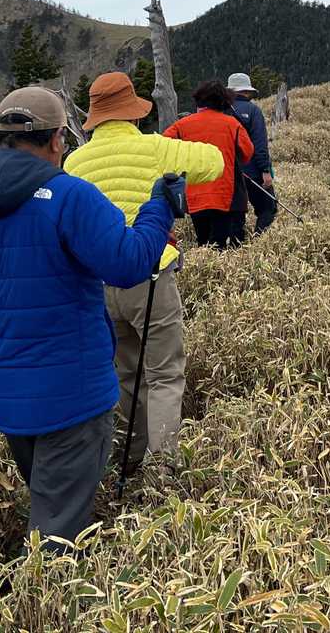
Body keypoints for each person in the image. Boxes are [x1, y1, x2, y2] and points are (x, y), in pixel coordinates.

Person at [0, 86, 185, 552]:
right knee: (55, 538)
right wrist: (159, 209)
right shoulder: (70, 197)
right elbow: (129, 264)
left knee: (51, 502)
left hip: (10, 400)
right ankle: (41, 591)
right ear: (55, 140)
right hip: (76, 397)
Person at [63, 71, 224, 475]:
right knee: (165, 373)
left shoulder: (74, 162)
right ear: (133, 113)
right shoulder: (155, 148)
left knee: (125, 372)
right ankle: (162, 468)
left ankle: (128, 457)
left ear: (95, 118)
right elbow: (215, 162)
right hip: (151, 275)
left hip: (99, 284)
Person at [163, 81, 254, 247]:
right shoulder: (232, 124)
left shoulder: (182, 125)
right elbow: (247, 153)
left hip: (195, 194)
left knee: (203, 243)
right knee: (224, 245)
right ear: (224, 101)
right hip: (226, 194)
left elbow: (164, 146)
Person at [226, 71, 276, 235]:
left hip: (227, 172)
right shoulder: (253, 111)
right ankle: (260, 239)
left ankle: (236, 244)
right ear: (247, 92)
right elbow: (260, 144)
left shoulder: (221, 111)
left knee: (236, 212)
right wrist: (265, 170)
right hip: (252, 171)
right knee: (267, 207)